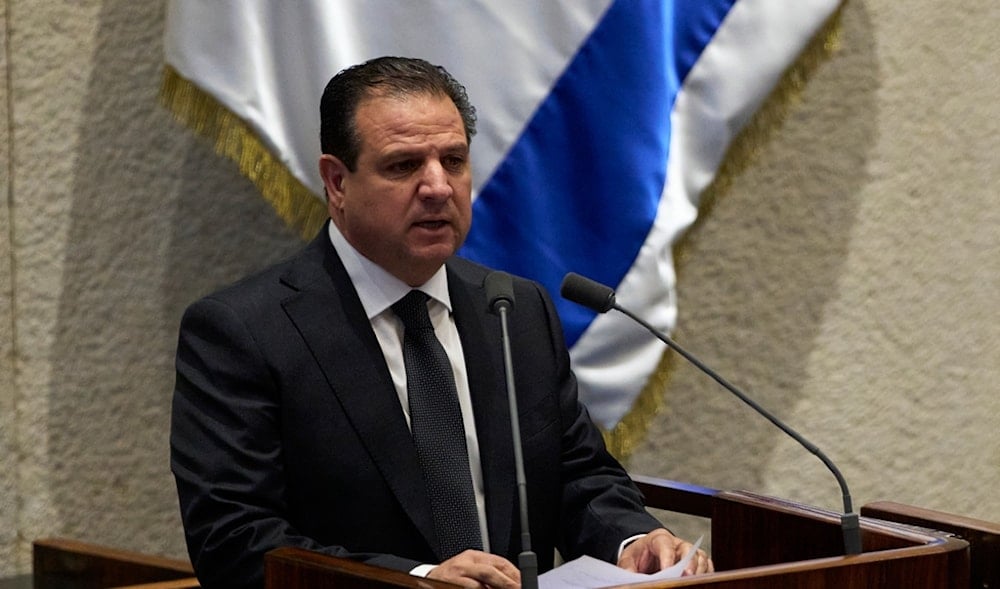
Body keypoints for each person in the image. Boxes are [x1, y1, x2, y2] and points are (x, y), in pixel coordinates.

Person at [171, 55, 712, 589]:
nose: (437, 187)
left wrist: (632, 539)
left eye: (453, 160)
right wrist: (419, 581)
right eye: (404, 166)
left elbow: (579, 475)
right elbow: (235, 540)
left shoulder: (513, 310)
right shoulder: (243, 332)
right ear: (337, 182)